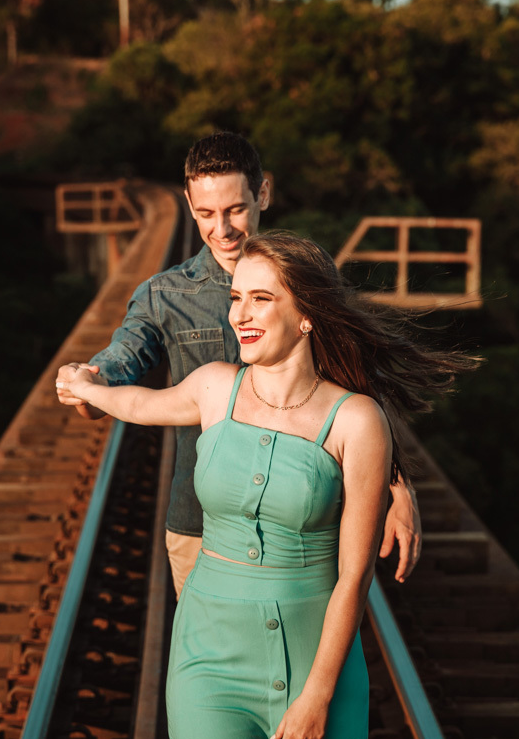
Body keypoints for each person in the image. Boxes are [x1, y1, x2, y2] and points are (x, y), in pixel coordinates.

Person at [59, 231, 475, 739]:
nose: (240, 314)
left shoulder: (356, 421)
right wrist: (88, 387)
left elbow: (354, 578)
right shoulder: (214, 387)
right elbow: (140, 403)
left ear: (307, 316)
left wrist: (318, 695)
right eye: (236, 296)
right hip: (209, 657)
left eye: (261, 298)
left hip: (314, 665)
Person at [56, 132, 421, 596]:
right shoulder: (164, 296)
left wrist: (400, 489)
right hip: (199, 527)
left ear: (262, 193)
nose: (222, 229)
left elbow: (359, 383)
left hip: (302, 524)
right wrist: (85, 383)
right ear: (189, 204)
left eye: (235, 210)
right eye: (206, 213)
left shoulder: (305, 278)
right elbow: (117, 364)